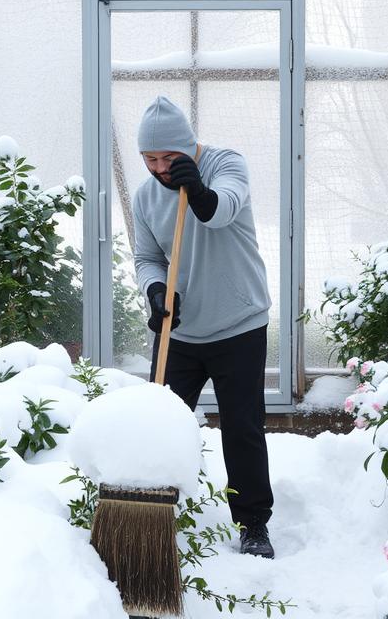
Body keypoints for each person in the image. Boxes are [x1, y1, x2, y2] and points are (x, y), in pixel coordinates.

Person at [132, 95, 275, 559]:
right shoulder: (145, 196)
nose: (159, 168)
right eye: (150, 159)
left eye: (167, 157)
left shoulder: (225, 164)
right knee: (160, 426)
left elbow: (221, 211)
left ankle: (253, 524)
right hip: (180, 331)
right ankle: (153, 517)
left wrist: (198, 191)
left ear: (187, 146)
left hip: (239, 323)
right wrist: (156, 290)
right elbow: (147, 258)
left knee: (241, 428)